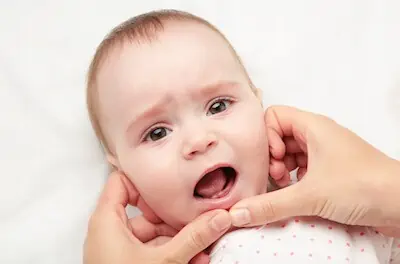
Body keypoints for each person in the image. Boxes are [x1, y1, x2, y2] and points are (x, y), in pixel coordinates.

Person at [84, 9, 400, 264]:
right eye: (157, 133)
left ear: (258, 103)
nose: (198, 140)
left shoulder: (346, 203)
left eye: (218, 105)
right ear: (122, 174)